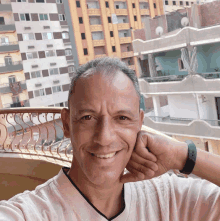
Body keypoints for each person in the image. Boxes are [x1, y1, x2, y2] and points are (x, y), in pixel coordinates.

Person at [0, 57, 220, 221]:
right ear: (67, 124)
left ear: (139, 123)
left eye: (122, 118)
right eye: (88, 117)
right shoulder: (30, 213)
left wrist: (182, 155)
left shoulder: (168, 198)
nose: (104, 137)